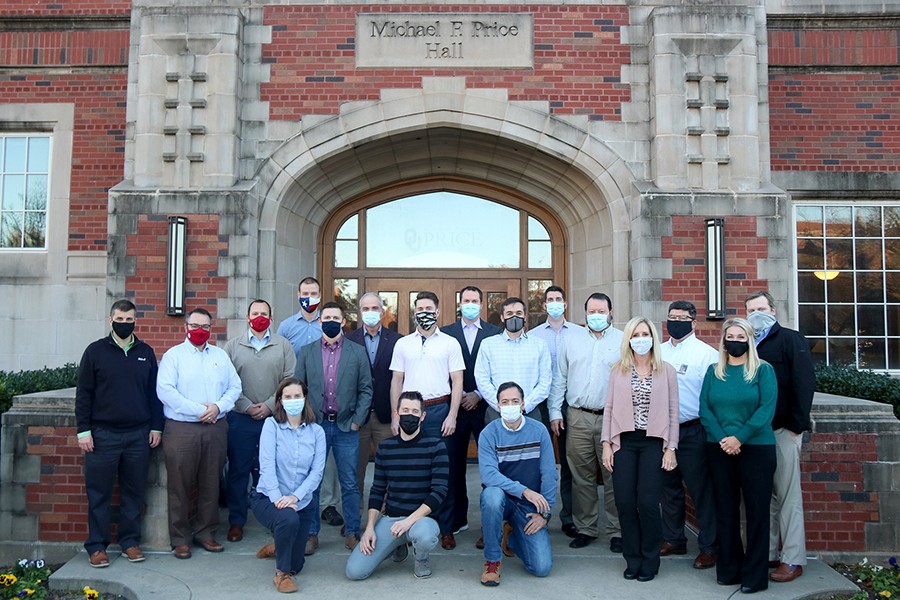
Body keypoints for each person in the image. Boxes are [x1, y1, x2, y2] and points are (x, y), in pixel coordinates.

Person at [75, 299, 164, 567]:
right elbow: (84, 394)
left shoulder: (145, 352)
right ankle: (97, 546)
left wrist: (156, 426)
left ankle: (130, 542)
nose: (124, 324)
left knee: (133, 493)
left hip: (138, 436)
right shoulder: (95, 352)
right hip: (102, 436)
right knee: (99, 494)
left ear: (136, 321)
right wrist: (84, 432)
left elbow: (153, 394)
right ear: (110, 320)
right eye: (120, 319)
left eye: (129, 320)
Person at [699, 317, 777, 594]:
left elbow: (766, 409)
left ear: (750, 341)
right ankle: (729, 569)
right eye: (731, 336)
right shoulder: (714, 371)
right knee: (726, 511)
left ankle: (754, 576)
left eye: (741, 337)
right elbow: (705, 410)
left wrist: (739, 437)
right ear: (723, 340)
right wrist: (723, 438)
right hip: (718, 447)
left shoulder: (762, 371)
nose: (736, 342)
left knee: (757, 513)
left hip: (756, 448)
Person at [156, 308, 242, 559]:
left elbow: (235, 386)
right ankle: (180, 539)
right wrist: (199, 411)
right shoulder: (174, 356)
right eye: (195, 326)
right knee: (179, 486)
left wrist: (218, 407)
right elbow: (166, 392)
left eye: (205, 326)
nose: (199, 331)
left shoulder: (220, 356)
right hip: (182, 429)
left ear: (210, 328)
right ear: (186, 327)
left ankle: (206, 533)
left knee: (210, 483)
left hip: (216, 427)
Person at [745, 291, 815, 584]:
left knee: (788, 497)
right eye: (750, 310)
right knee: (765, 498)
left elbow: (804, 381)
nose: (756, 314)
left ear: (773, 310)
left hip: (783, 430)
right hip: (755, 436)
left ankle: (792, 558)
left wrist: (796, 426)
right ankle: (770, 552)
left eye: (761, 308)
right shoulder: (747, 344)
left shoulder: (789, 339)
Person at [601, 317, 678, 582]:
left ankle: (650, 558)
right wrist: (606, 445)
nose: (641, 338)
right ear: (629, 339)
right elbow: (608, 408)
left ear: (653, 338)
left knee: (646, 502)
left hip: (653, 443)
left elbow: (673, 411)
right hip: (624, 442)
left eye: (646, 333)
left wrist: (671, 448)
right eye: (636, 334)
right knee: (624, 502)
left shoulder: (665, 370)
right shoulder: (618, 370)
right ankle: (632, 558)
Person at [345, 391, 449, 581]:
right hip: (392, 519)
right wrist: (369, 528)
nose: (410, 415)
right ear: (396, 413)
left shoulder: (436, 446)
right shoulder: (385, 447)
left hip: (422, 519)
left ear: (423, 416)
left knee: (424, 536)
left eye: (415, 411)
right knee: (355, 571)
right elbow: (377, 490)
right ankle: (397, 544)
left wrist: (409, 521)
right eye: (405, 410)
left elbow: (439, 492)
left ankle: (421, 557)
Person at [548, 292, 623, 552]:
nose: (596, 315)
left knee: (614, 475)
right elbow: (560, 378)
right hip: (577, 415)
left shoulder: (623, 340)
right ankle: (586, 528)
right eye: (591, 311)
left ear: (611, 312)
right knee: (581, 476)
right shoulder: (572, 339)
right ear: (584, 313)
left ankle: (617, 530)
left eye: (601, 311)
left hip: (612, 418)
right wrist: (555, 412)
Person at [295, 301, 373, 552]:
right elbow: (299, 389)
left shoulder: (357, 351)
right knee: (312, 482)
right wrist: (305, 420)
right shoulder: (306, 352)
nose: (329, 321)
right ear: (319, 321)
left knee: (349, 482)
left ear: (343, 321)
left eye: (335, 317)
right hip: (315, 426)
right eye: (325, 317)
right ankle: (310, 533)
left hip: (345, 427)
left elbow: (365, 389)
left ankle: (351, 531)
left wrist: (357, 420)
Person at [223, 299, 296, 543]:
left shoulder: (283, 346)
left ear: (271, 317)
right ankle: (236, 521)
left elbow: (288, 380)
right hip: (240, 418)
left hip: (273, 418)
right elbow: (227, 381)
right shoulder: (233, 346)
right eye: (255, 313)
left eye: (264, 313)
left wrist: (267, 405)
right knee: (238, 471)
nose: (259, 317)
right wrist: (245, 405)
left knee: (271, 471)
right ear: (247, 317)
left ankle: (274, 520)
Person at [276, 276, 344, 533]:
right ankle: (296, 504)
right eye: (305, 293)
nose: (309, 297)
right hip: (295, 402)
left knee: (328, 464)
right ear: (298, 294)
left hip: (324, 400)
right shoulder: (286, 326)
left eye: (314, 293)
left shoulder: (327, 324)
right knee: (299, 457)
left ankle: (328, 504)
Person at [438, 285, 502, 549]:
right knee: (452, 468)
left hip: (485, 408)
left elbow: (497, 370)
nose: (471, 304)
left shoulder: (495, 333)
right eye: (466, 300)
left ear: (482, 303)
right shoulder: (445, 333)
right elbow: (442, 369)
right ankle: (452, 524)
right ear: (459, 303)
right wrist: (460, 394)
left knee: (490, 468)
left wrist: (477, 393)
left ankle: (489, 527)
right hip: (454, 409)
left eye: (475, 300)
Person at [658, 300, 719, 569]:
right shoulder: (656, 352)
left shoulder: (707, 355)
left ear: (694, 323)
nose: (676, 322)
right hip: (661, 433)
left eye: (682, 318)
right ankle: (674, 538)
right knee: (668, 489)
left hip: (693, 431)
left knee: (700, 491)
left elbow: (714, 397)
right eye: (672, 317)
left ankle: (709, 547)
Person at [478, 381, 557, 586]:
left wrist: (545, 514)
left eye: (515, 401)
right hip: (502, 500)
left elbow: (549, 473)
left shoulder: (539, 431)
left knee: (541, 567)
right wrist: (525, 491)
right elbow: (489, 475)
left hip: (528, 507)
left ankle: (511, 538)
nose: (510, 405)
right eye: (505, 402)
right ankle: (493, 561)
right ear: (497, 406)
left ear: (523, 405)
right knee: (491, 496)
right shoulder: (488, 433)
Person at [251, 378, 326, 593]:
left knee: (298, 565)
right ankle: (281, 575)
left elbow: (316, 472)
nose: (293, 400)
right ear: (280, 401)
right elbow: (266, 466)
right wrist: (280, 500)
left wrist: (295, 497)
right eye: (287, 397)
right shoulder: (271, 426)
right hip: (268, 499)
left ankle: (279, 547)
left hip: (302, 503)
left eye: (297, 396)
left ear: (305, 399)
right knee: (288, 518)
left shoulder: (317, 432)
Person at [345, 292, 401, 511]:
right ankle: (353, 517)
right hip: (357, 417)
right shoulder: (349, 340)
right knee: (354, 471)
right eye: (366, 309)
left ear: (382, 311)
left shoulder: (397, 341)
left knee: (388, 468)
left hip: (386, 416)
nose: (371, 313)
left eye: (375, 308)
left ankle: (387, 514)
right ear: (360, 312)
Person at [529, 285, 575, 538]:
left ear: (565, 304)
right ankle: (536, 511)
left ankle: (569, 517)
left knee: (570, 464)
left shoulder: (579, 333)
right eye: (550, 300)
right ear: (544, 306)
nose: (555, 303)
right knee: (539, 463)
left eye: (559, 299)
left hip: (571, 405)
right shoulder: (533, 336)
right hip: (540, 405)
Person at [389, 291, 464, 440]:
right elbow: (396, 381)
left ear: (437, 312)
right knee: (411, 458)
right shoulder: (403, 344)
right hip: (408, 410)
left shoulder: (450, 343)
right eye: (420, 309)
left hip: (439, 409)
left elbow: (457, 381)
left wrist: (452, 416)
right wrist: (395, 415)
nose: (424, 313)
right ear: (414, 312)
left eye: (429, 309)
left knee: (439, 458)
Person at [474, 297, 551, 422]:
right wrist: (501, 405)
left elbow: (545, 382)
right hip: (497, 413)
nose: (514, 317)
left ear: (525, 317)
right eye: (509, 313)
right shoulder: (488, 345)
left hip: (529, 412)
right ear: (502, 318)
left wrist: (525, 405)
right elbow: (482, 380)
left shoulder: (539, 345)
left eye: (519, 313)